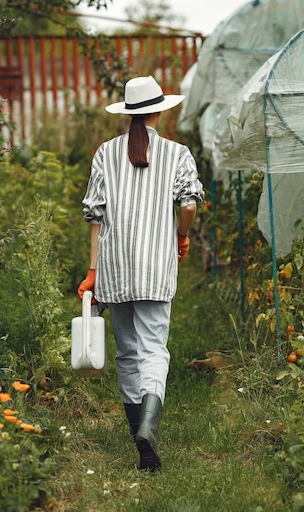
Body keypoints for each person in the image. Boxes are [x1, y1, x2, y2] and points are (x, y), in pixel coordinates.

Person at [78, 75, 204, 472]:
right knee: (153, 348)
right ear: (160, 111)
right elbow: (187, 206)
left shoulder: (104, 153)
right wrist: (182, 237)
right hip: (154, 267)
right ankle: (148, 429)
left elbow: (95, 217)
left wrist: (93, 271)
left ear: (128, 112)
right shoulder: (177, 154)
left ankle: (139, 439)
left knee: (127, 352)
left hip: (114, 266)